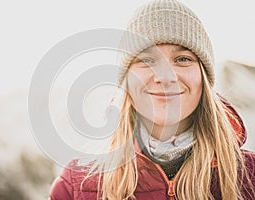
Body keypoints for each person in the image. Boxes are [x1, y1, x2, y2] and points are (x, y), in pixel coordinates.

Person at [49, 0, 255, 199]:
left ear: (203, 77)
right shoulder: (76, 187)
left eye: (182, 59)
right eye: (146, 60)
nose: (165, 77)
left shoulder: (249, 176)